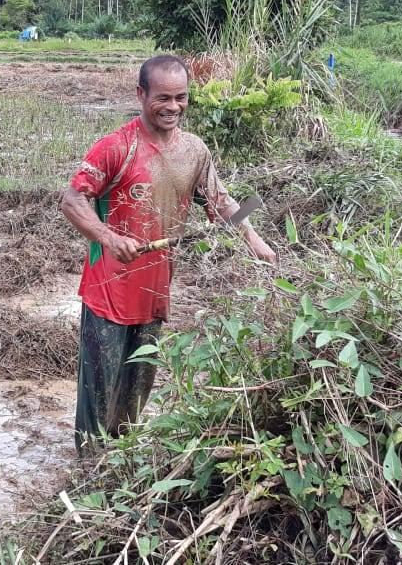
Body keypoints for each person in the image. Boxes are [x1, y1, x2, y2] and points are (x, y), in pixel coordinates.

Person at [60, 55, 276, 454]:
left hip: (156, 292)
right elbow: (72, 199)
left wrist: (253, 238)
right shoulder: (116, 147)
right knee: (99, 389)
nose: (173, 107)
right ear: (141, 95)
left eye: (181, 97)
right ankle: (88, 467)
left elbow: (220, 202)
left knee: (138, 386)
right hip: (108, 291)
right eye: (163, 97)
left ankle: (121, 460)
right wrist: (108, 238)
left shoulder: (195, 151)